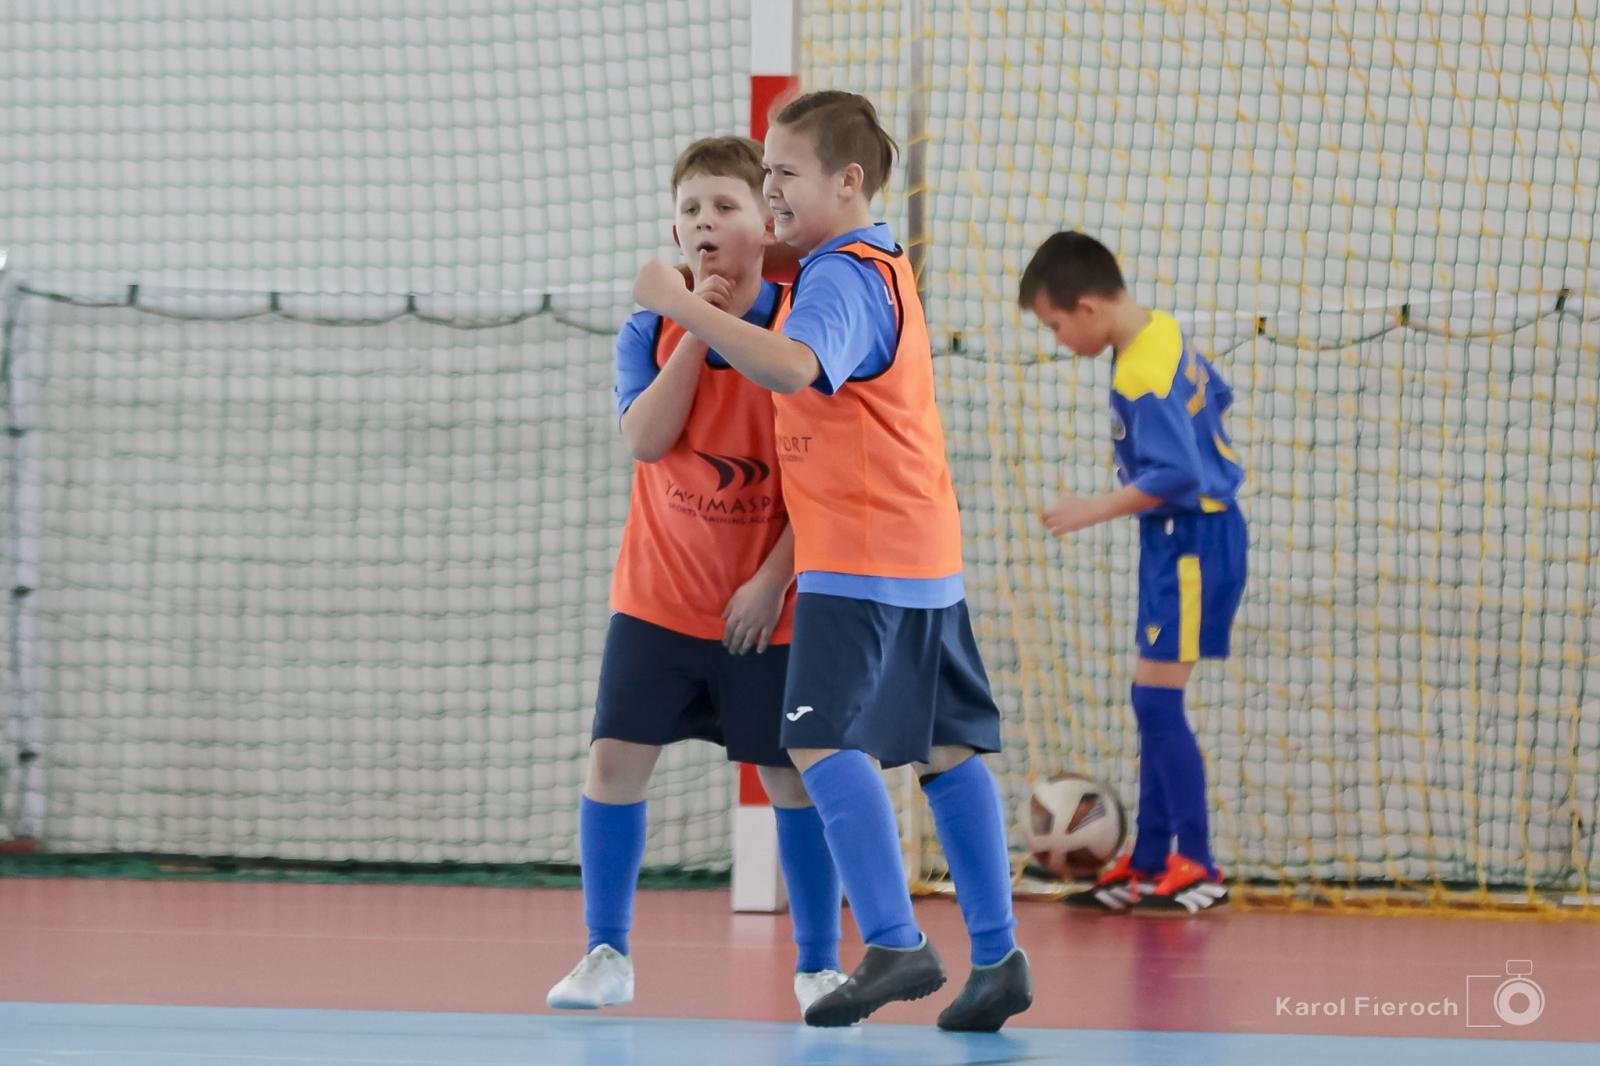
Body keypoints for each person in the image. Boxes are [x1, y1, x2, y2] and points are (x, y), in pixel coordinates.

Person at [632, 92, 1031, 1031]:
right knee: (945, 749)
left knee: (812, 742)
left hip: (861, 557)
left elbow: (793, 369)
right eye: (760, 176)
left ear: (848, 182)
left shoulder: (844, 276)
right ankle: (1000, 956)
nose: (767, 192)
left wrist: (679, 306)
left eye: (783, 176)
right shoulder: (870, 261)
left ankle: (893, 939)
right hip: (922, 551)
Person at [547, 136, 845, 1016]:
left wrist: (771, 581)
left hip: (772, 606)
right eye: (688, 212)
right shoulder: (650, 324)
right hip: (660, 601)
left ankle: (819, 965)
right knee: (613, 761)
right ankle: (607, 953)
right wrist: (691, 325)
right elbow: (645, 441)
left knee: (793, 776)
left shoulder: (803, 325)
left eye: (723, 206)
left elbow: (825, 480)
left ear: (765, 222)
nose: (705, 224)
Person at [1019, 230, 1247, 916]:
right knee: (1151, 705)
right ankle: (1148, 864)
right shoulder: (1162, 333)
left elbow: (1176, 473)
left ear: (1087, 308)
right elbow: (1220, 395)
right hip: (1187, 539)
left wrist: (1090, 508)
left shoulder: (1137, 372)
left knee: (1155, 704)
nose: (1059, 341)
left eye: (1056, 326)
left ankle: (1197, 865)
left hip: (1191, 541)